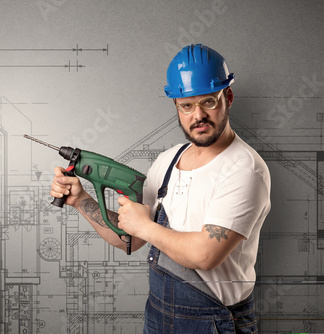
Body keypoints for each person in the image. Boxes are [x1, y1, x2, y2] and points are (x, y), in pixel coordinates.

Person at [51, 43, 270, 333]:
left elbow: (205, 255)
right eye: (187, 105)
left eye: (208, 102)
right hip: (158, 315)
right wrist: (81, 201)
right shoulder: (168, 161)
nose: (198, 116)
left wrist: (146, 227)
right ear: (177, 107)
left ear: (227, 97)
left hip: (214, 322)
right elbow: (131, 238)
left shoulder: (244, 169)